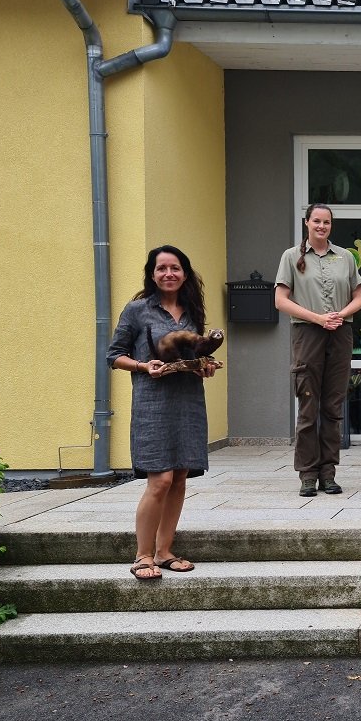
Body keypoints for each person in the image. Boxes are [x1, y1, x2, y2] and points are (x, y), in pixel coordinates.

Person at [108, 245, 218, 581]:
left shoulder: (192, 310)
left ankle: (164, 551)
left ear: (184, 273)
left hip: (188, 400)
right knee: (161, 480)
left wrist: (204, 366)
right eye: (161, 268)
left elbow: (193, 354)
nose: (168, 274)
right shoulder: (137, 310)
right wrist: (143, 366)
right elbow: (114, 356)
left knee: (180, 476)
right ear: (152, 274)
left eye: (175, 268)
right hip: (152, 402)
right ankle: (143, 555)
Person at [275, 203, 361, 498]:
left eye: (326, 222)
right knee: (308, 407)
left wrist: (339, 315)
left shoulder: (345, 257)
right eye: (316, 221)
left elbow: (359, 298)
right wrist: (318, 318)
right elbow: (280, 300)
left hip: (340, 333)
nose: (321, 226)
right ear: (307, 223)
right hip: (307, 333)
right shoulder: (291, 256)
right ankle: (307, 475)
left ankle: (328, 474)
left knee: (332, 408)